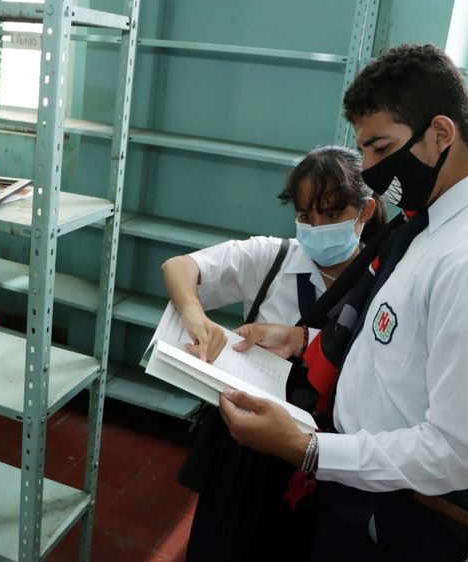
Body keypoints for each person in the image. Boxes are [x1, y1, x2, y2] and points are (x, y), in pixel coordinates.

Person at [219, 43, 468, 560]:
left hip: (401, 513)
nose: (370, 168)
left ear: (441, 132)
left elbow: (457, 452)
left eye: (380, 148)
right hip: (361, 487)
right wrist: (302, 337)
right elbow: (403, 342)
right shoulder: (434, 218)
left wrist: (305, 449)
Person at [161, 145, 385, 561]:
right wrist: (196, 317)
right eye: (305, 215)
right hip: (246, 451)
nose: (316, 227)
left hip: (324, 458)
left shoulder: (382, 283)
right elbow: (179, 267)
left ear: (365, 211)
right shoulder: (274, 258)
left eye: (332, 214)